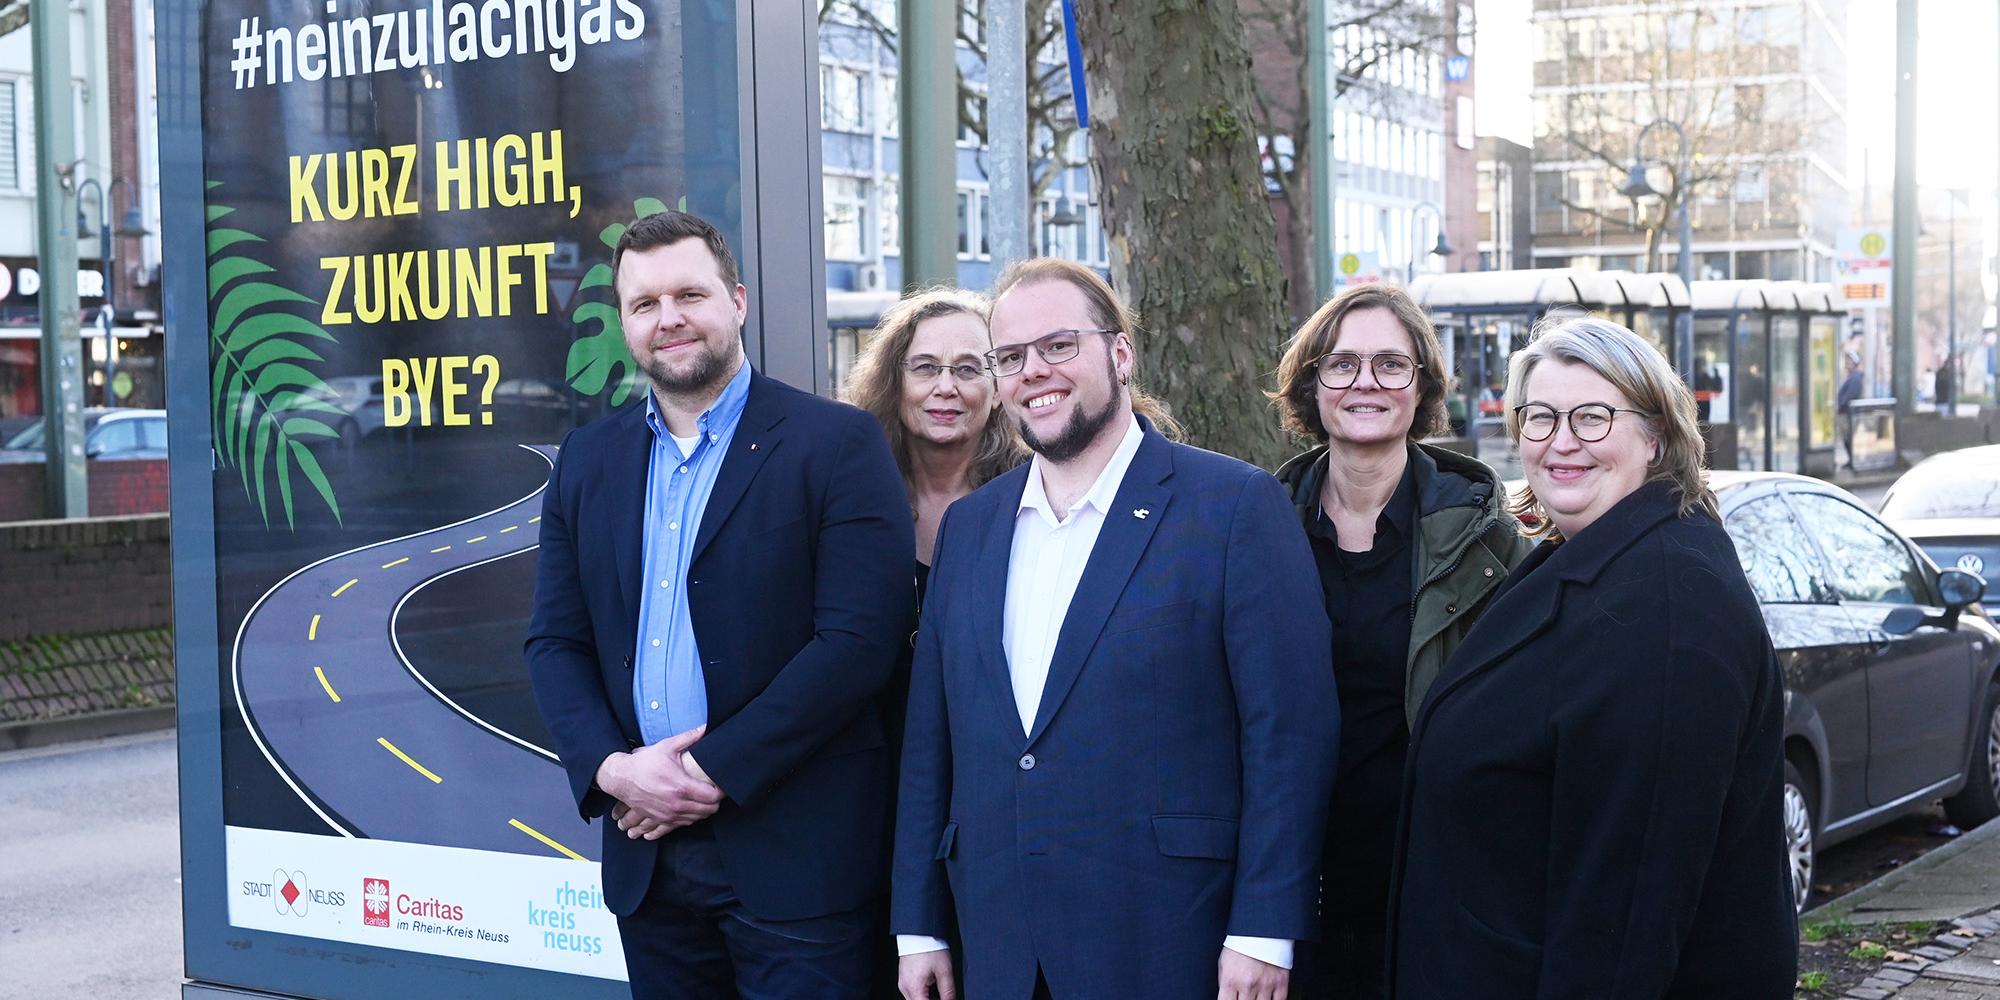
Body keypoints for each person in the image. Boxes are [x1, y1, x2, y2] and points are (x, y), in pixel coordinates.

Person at [893, 258, 1340, 1000]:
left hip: (1172, 940)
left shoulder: (1234, 508)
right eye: (1012, 357)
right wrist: (919, 925)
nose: (1035, 371)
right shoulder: (971, 528)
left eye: (1059, 346)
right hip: (999, 943)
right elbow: (930, 740)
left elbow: (1289, 735)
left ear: (1121, 353)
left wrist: (1266, 928)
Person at [524, 210, 914, 999]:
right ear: (627, 323)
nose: (669, 319)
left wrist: (704, 772)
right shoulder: (587, 461)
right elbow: (555, 643)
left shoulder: (836, 444)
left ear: (736, 300)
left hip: (797, 861)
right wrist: (614, 770)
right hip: (649, 860)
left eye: (690, 295)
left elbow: (858, 643)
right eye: (645, 304)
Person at [1386, 316, 1797, 999]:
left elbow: (1627, 911)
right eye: (1540, 417)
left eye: (1594, 417)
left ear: (1656, 433)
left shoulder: (1665, 603)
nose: (1562, 441)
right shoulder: (1595, 560)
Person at [1268, 284, 1533, 1000]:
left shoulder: (1488, 541)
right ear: (1312, 384)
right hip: (1292, 895)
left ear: (1422, 388)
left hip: (1437, 890)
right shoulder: (1258, 531)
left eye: (1391, 364)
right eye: (1343, 363)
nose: (1366, 383)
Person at [842, 286, 1026, 995]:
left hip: (989, 798)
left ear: (999, 385)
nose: (946, 388)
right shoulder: (849, 494)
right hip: (869, 791)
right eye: (925, 368)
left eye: (970, 368)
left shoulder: (1035, 497)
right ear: (895, 381)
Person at [1836, 352, 1863, 470]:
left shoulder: (1855, 378)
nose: (1847, 364)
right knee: (1846, 437)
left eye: (1849, 362)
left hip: (1848, 414)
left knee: (1848, 437)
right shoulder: (1851, 377)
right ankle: (1851, 461)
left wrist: (1841, 405)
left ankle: (1852, 461)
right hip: (1846, 413)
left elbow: (1850, 396)